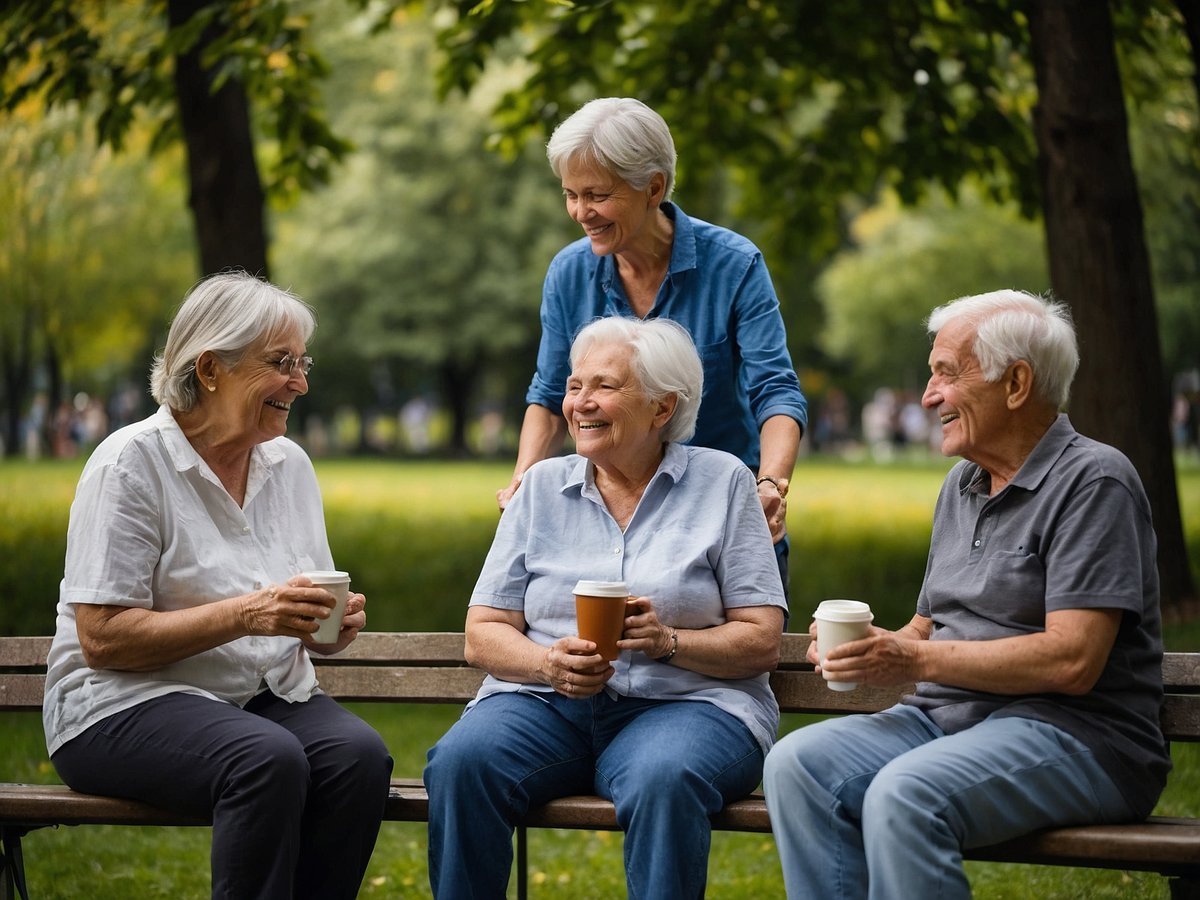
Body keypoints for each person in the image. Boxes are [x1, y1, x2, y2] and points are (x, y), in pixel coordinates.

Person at [762, 289, 1169, 899]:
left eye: (947, 374)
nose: (929, 397)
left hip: (1080, 735)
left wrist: (912, 659)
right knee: (797, 766)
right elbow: (927, 627)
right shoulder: (962, 485)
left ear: (1016, 383)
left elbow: (1073, 660)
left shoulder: (1095, 482)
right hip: (946, 720)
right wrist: (870, 649)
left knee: (905, 794)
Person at [42, 271, 393, 900]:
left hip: (258, 696)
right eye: (281, 363)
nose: (301, 383)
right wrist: (250, 613)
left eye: (303, 363)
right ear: (210, 369)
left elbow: (300, 609)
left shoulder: (289, 464)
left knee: (357, 758)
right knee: (266, 760)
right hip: (120, 702)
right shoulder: (130, 464)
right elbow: (102, 639)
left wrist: (326, 625)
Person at [427, 316, 788, 898]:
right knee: (462, 763)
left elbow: (761, 640)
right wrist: (548, 664)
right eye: (574, 386)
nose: (580, 403)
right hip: (546, 705)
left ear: (662, 408)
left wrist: (668, 642)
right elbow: (483, 631)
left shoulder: (724, 483)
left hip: (688, 706)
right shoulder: (540, 488)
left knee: (663, 776)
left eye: (604, 386)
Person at [497, 96, 807, 587]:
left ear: (653, 187)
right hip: (601, 522)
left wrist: (769, 484)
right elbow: (551, 395)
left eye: (597, 195)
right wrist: (523, 482)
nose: (581, 212)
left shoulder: (735, 265)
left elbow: (775, 390)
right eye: (571, 194)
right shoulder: (569, 272)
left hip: (718, 518)